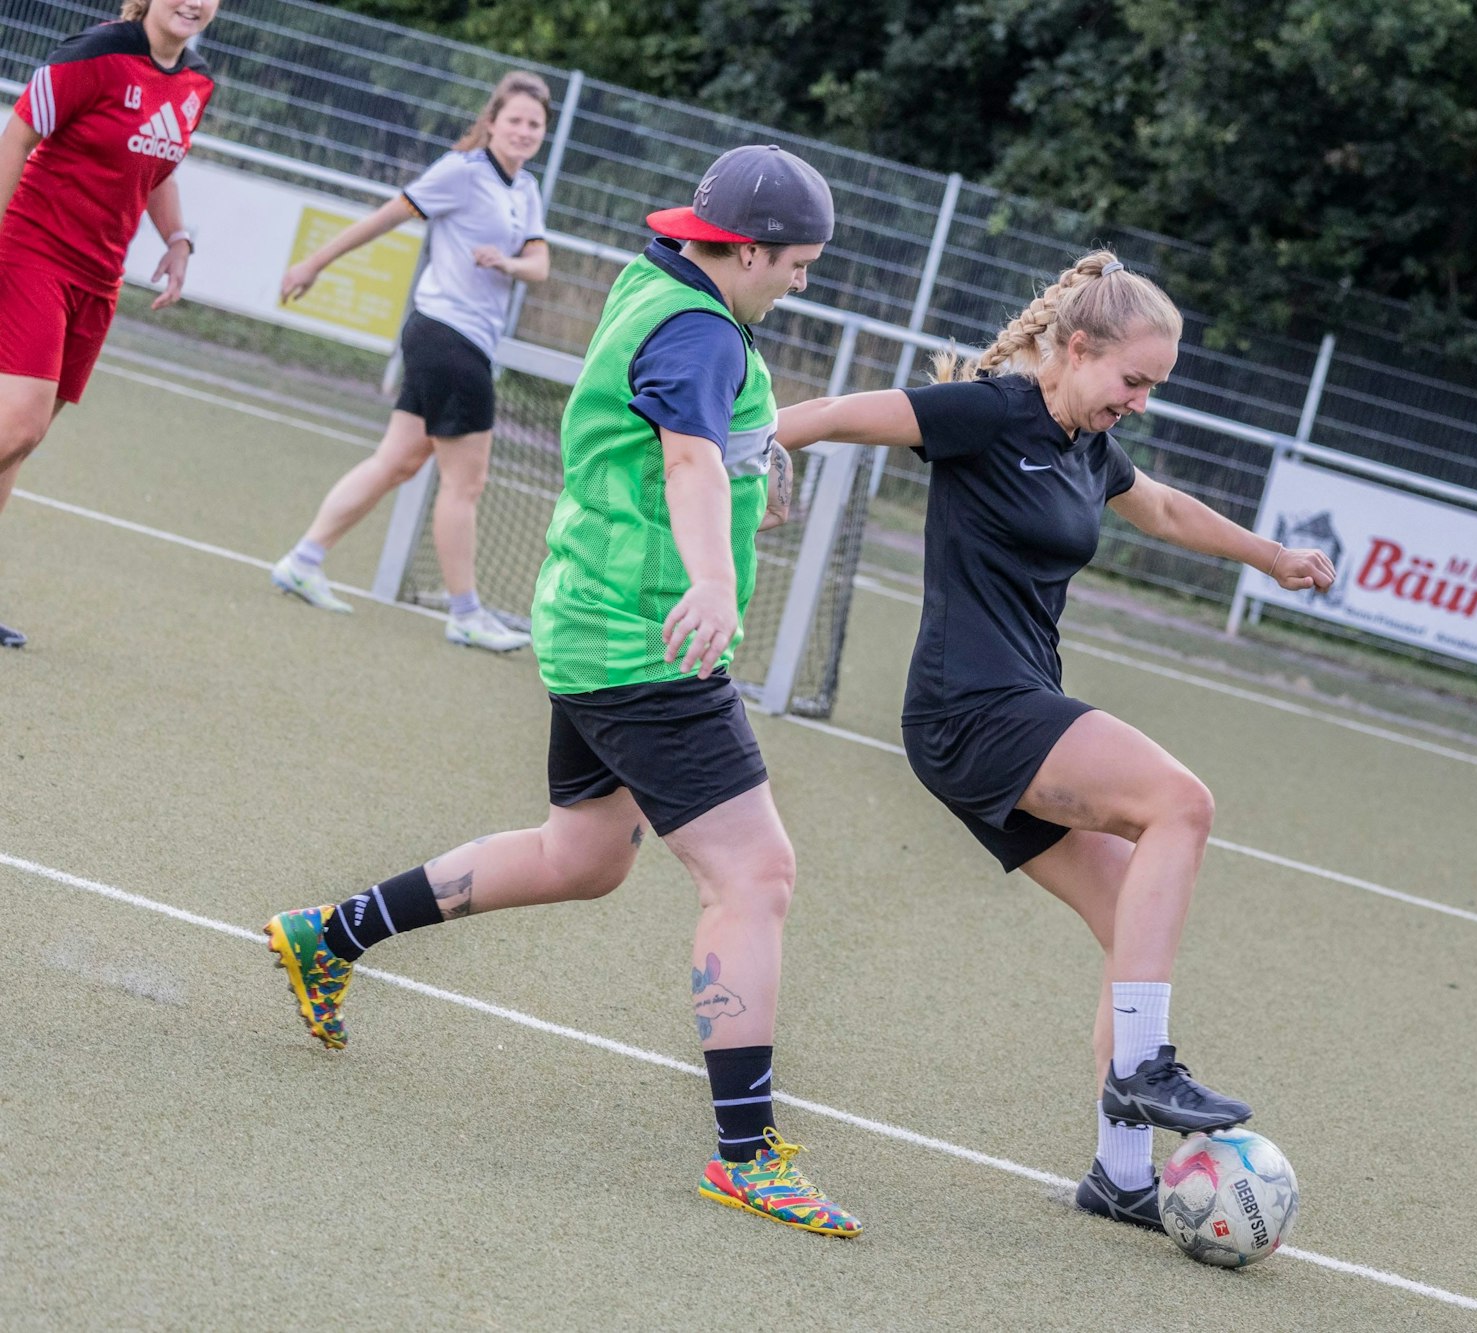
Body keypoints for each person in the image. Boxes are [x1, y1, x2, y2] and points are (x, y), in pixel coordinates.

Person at [264, 144, 859, 1237]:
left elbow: (687, 448)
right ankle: (745, 1153)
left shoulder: (659, 283)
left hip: (593, 621)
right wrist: (719, 578)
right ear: (745, 250)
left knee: (578, 858)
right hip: (646, 640)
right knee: (755, 874)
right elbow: (681, 460)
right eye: (798, 265)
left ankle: (329, 934)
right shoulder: (694, 327)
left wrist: (743, 475)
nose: (801, 284)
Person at [775, 250, 1335, 1232]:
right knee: (1180, 802)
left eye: (1152, 387)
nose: (1141, 402)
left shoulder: (1086, 440)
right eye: (1132, 380)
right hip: (968, 710)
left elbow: (1158, 507)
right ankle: (1142, 1067)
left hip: (1006, 706)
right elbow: (828, 417)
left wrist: (1271, 557)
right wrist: (747, 448)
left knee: (1130, 919)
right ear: (1076, 349)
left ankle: (1119, 1174)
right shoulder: (990, 411)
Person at [268, 71, 552, 653]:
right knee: (466, 483)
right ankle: (466, 613)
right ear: (492, 121)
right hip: (447, 336)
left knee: (397, 461)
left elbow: (540, 264)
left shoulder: (525, 188)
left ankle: (303, 559)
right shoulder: (462, 172)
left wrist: (508, 263)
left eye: (535, 124)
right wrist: (314, 262)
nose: (525, 132)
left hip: (463, 339)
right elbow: (388, 216)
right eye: (516, 120)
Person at [0, 0, 218, 649]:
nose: (194, 1)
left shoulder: (197, 81)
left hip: (99, 279)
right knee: (21, 421)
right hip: (31, 250)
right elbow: (17, 136)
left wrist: (176, 238)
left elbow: (156, 167)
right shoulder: (93, 54)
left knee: (17, 443)